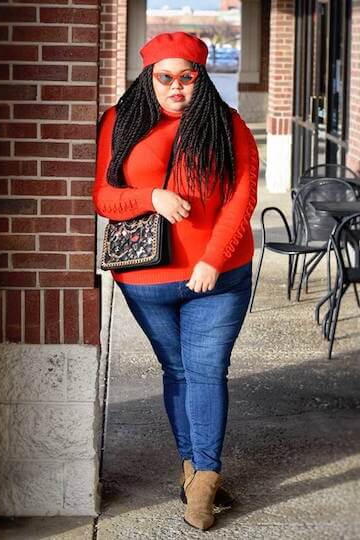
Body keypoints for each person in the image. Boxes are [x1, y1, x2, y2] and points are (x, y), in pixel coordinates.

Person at [92, 31, 259, 532]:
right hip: (146, 279)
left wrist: (212, 259)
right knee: (178, 371)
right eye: (165, 77)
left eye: (187, 77)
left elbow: (242, 198)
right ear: (148, 77)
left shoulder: (228, 124)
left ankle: (204, 478)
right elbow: (103, 197)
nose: (176, 87)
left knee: (205, 373)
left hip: (218, 278)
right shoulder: (120, 121)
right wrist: (150, 198)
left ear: (201, 78)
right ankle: (193, 469)